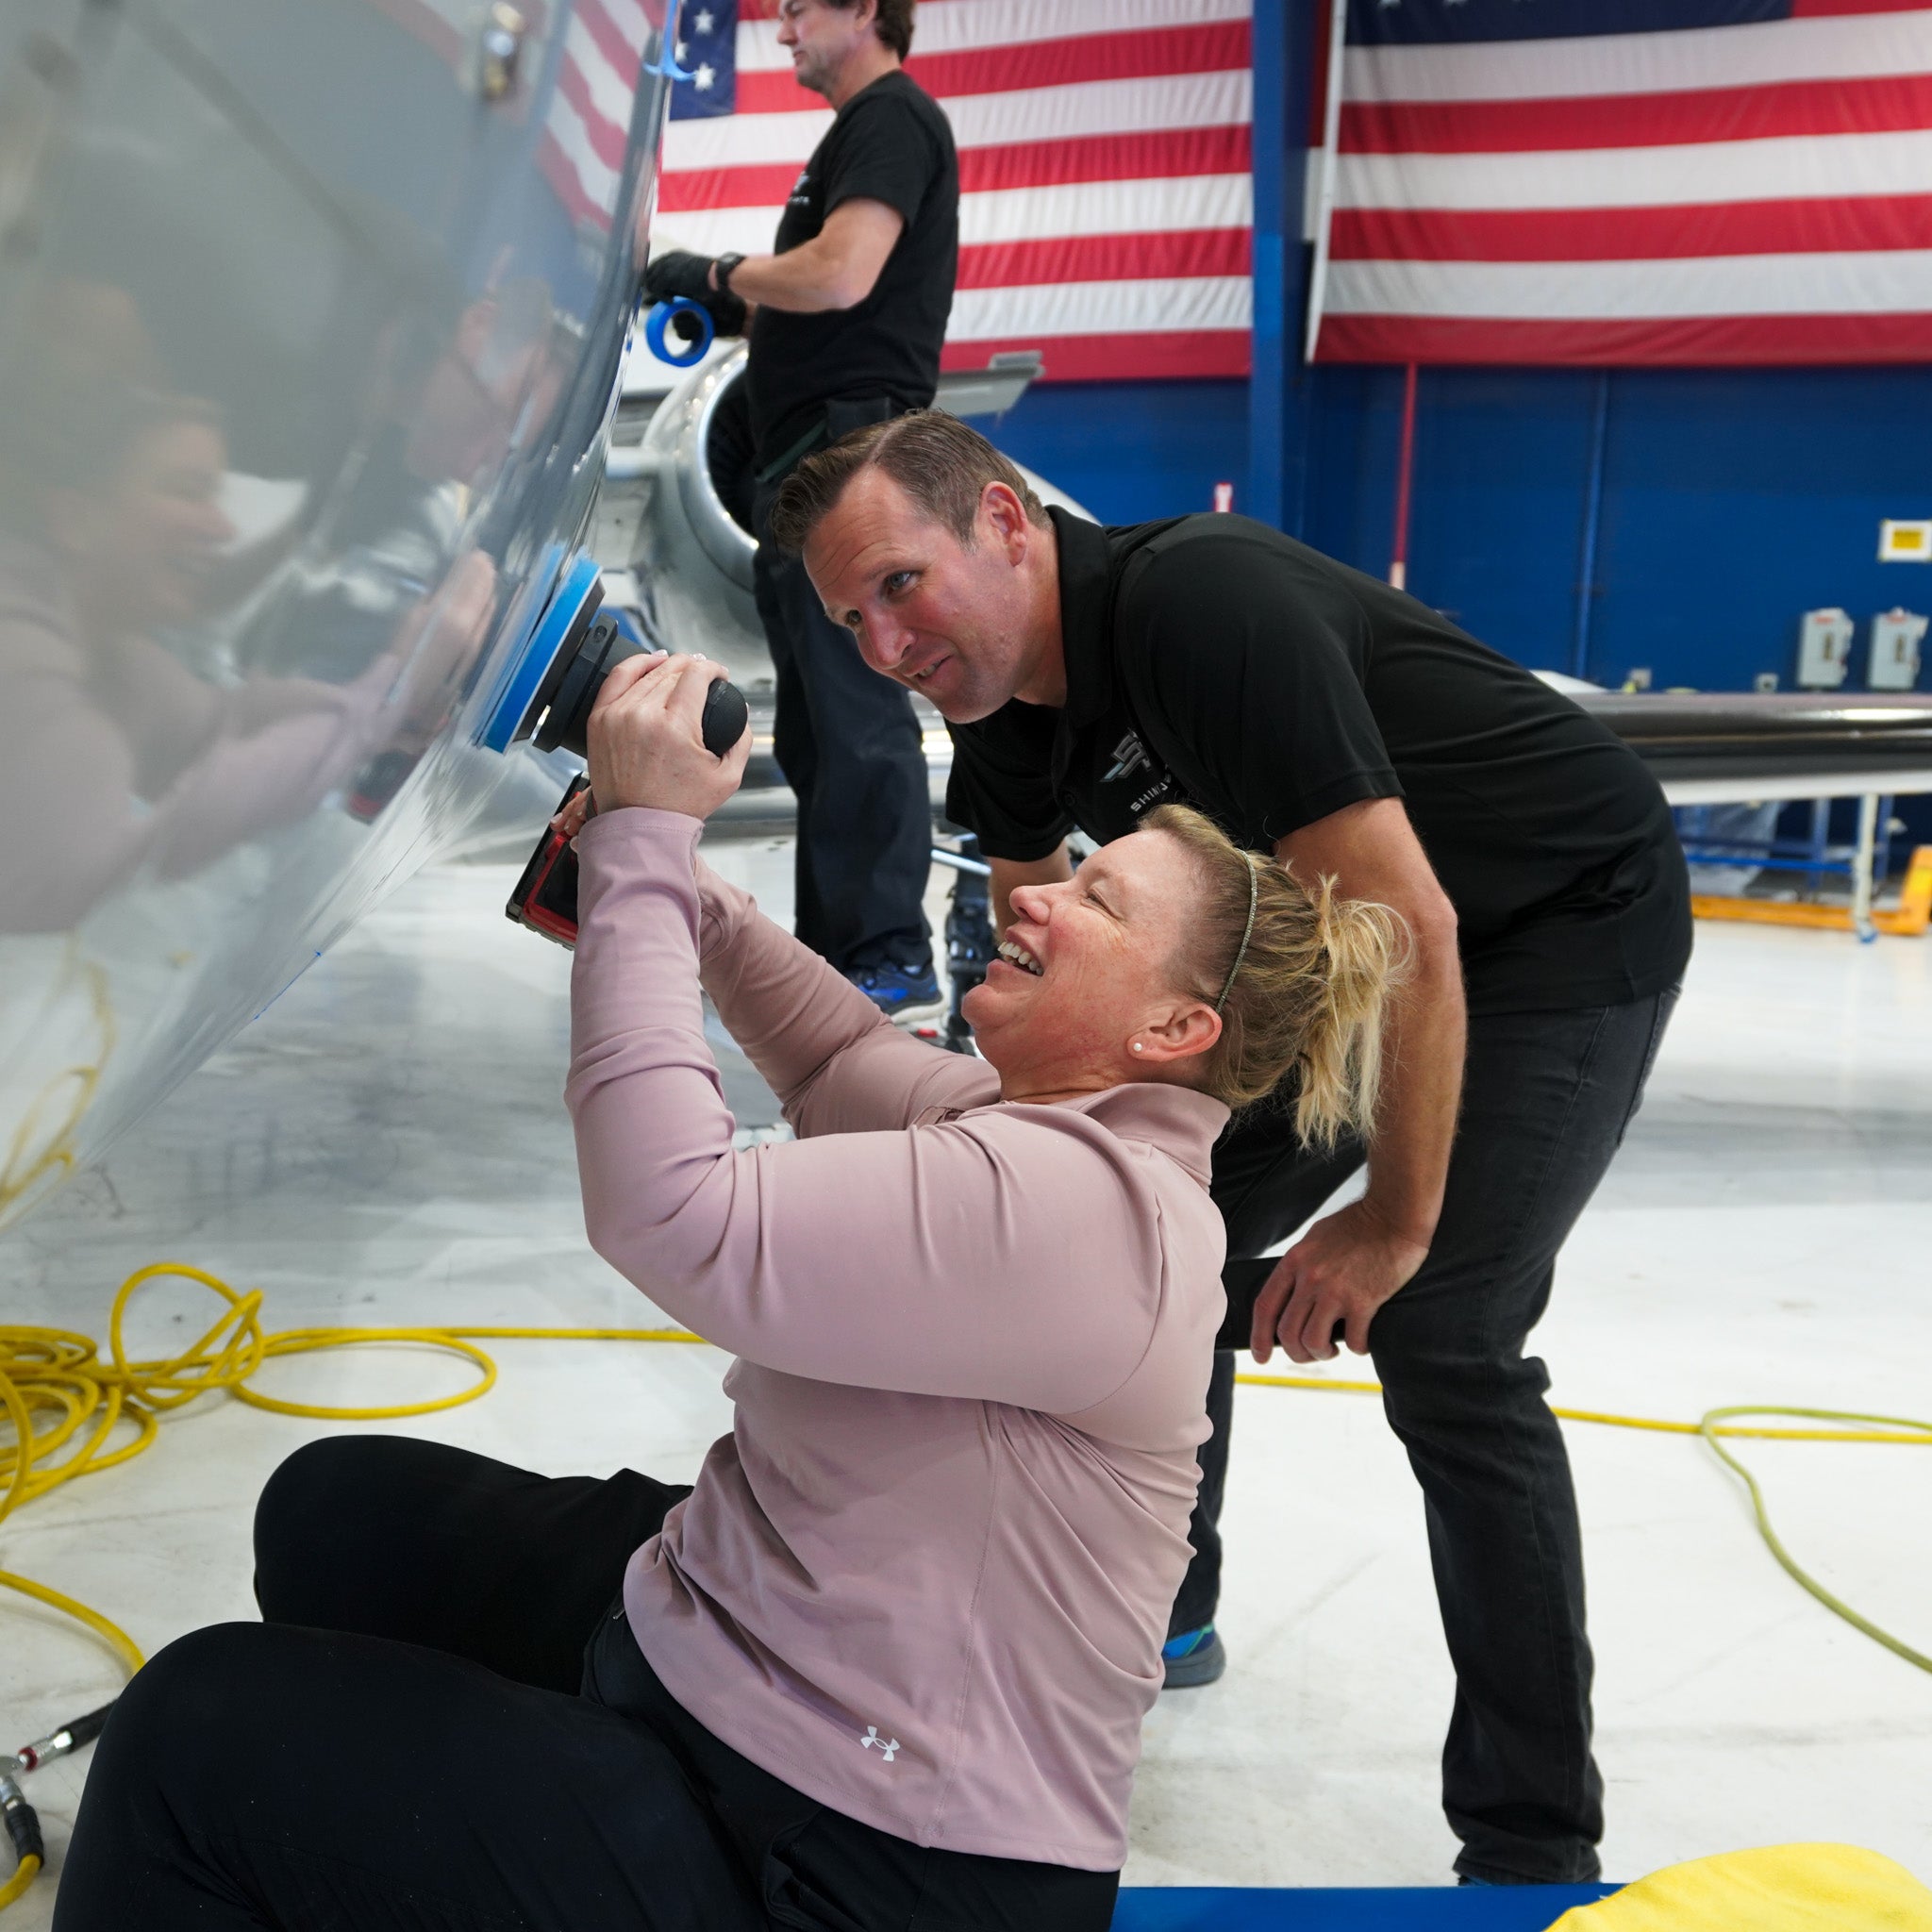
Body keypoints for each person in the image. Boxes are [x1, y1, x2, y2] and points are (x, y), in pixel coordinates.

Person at [54, 652, 1401, 1931]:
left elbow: (670, 1211)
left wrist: (640, 850)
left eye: (1101, 904)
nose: (1041, 892)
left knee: (192, 1728)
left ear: (1175, 1034)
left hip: (857, 1858)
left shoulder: (1089, 1216)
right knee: (332, 1513)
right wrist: (666, 870)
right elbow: (828, 1062)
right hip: (755, 1653)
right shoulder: (1031, 1123)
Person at [768, 412, 1693, 1888]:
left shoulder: (1200, 606)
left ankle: (1533, 1844)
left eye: (898, 585)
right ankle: (1168, 1604)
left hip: (1545, 923)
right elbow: (1042, 965)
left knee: (1448, 1332)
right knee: (1154, 1216)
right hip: (1336, 952)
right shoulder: (1001, 703)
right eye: (848, 620)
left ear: (1006, 523)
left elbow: (1417, 932)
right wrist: (1018, 1170)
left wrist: (1391, 1224)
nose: (882, 647)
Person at [643, 0, 957, 1021]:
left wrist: (721, 272)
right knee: (821, 726)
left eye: (796, 12)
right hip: (806, 463)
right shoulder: (852, 137)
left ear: (862, 11)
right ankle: (845, 967)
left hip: (851, 452)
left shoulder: (891, 119)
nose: (780, 35)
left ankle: (886, 956)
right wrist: (726, 297)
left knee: (856, 711)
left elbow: (841, 273)